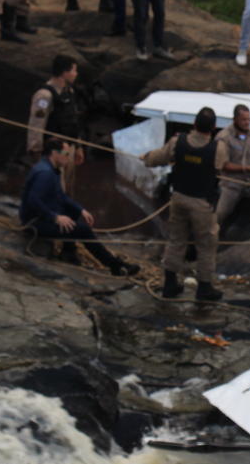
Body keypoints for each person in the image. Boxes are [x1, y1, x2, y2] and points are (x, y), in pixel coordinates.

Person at [21, 137, 140, 276]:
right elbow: (33, 200)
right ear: (54, 153)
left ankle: (68, 252)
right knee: (83, 231)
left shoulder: (51, 168)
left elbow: (61, 196)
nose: (68, 159)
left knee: (73, 210)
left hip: (43, 214)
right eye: (66, 155)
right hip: (34, 222)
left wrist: (81, 209)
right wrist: (55, 217)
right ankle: (114, 265)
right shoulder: (45, 173)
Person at [141, 107, 223, 301]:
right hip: (202, 203)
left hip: (178, 198)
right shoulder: (218, 148)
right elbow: (222, 169)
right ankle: (204, 287)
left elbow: (157, 158)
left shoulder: (178, 142)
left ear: (194, 124)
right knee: (206, 244)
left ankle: (170, 284)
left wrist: (146, 158)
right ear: (213, 128)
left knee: (176, 239)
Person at [27, 54, 84, 195]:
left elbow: (73, 120)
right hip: (54, 150)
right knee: (57, 188)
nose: (76, 74)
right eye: (73, 70)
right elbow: (36, 123)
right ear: (64, 73)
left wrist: (78, 146)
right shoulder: (44, 95)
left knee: (68, 188)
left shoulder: (69, 91)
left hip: (69, 146)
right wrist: (35, 149)